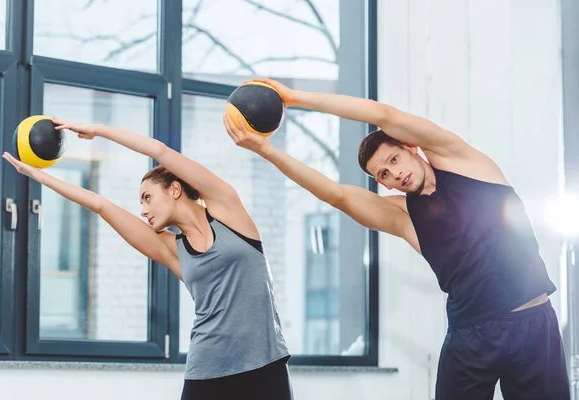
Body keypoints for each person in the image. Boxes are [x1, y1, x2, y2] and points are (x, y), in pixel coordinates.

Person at [223, 78, 570, 400]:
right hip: (470, 338)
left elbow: (382, 114)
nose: (395, 173)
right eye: (383, 174)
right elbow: (336, 195)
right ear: (384, 184)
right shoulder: (404, 218)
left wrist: (295, 98)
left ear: (410, 147)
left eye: (394, 159)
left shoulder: (464, 162)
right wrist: (265, 150)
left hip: (533, 325)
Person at [3, 118, 292, 400]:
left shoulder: (228, 210)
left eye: (147, 197)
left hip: (266, 364)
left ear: (175, 189)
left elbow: (159, 151)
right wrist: (39, 176)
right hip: (208, 369)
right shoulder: (171, 250)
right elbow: (101, 205)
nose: (142, 210)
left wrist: (99, 129)